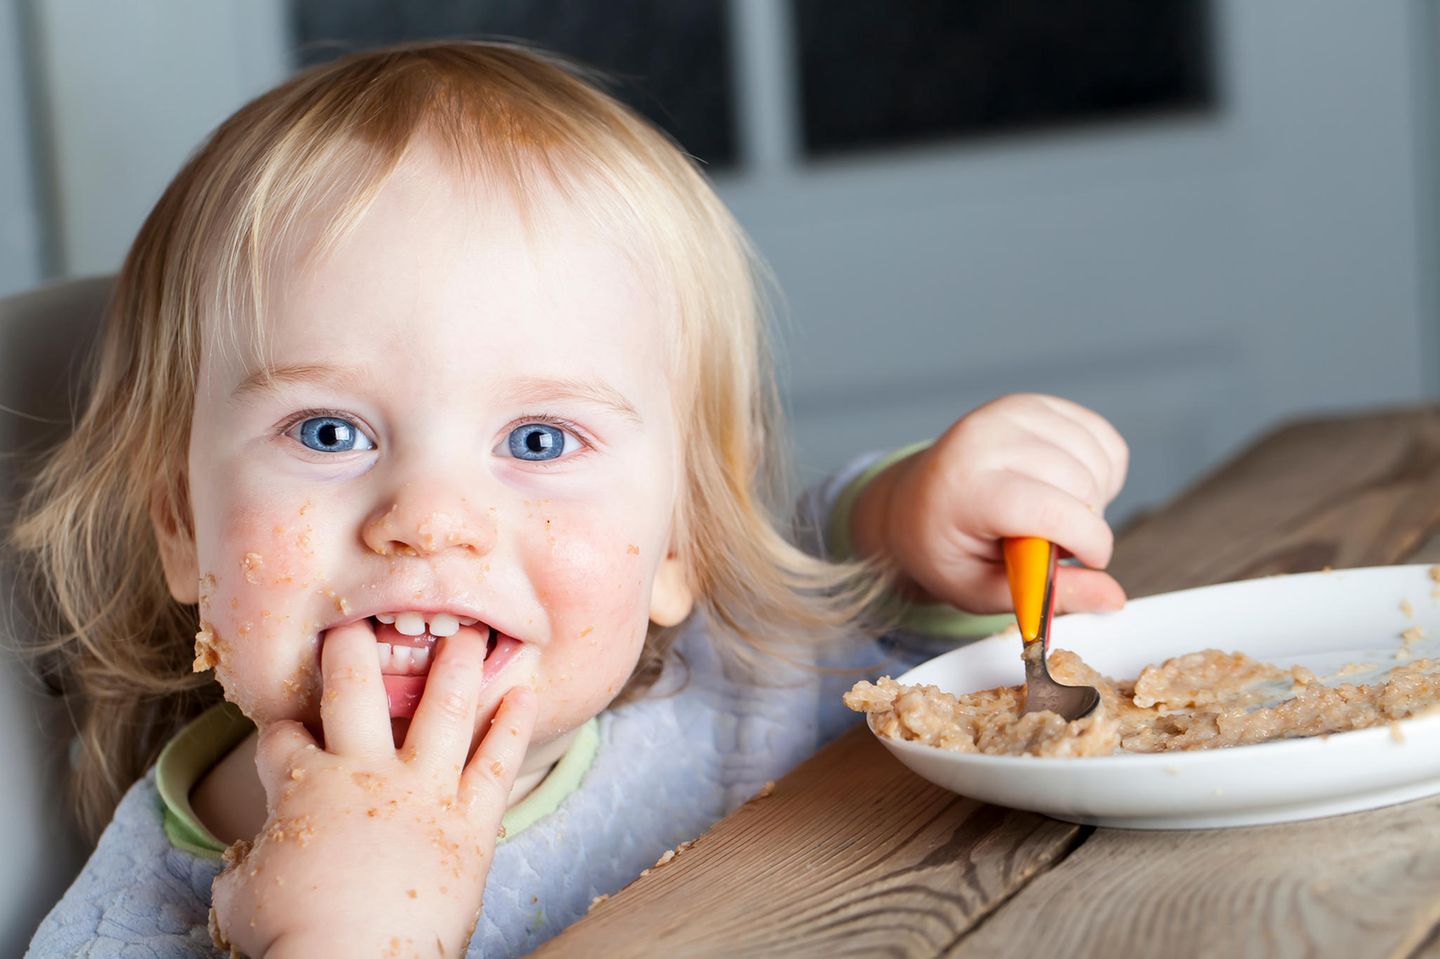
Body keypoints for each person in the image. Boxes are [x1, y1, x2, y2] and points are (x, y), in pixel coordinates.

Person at [10, 41, 1127, 957]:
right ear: (181, 524)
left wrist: (908, 521)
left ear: (683, 535)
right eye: (329, 431)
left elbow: (893, 638)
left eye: (538, 438)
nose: (429, 516)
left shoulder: (719, 708)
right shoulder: (143, 913)